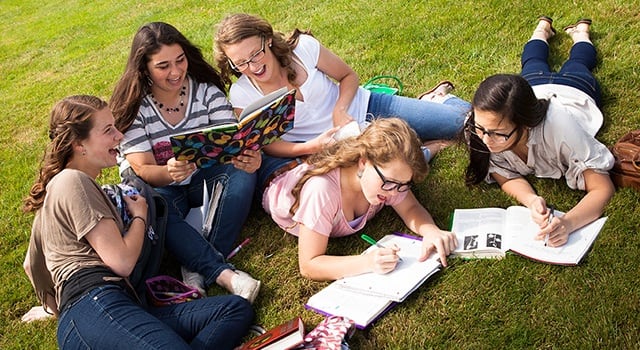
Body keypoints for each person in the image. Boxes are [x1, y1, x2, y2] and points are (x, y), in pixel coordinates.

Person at [22, 95, 254, 349]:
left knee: (234, 309)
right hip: (96, 304)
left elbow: (30, 266)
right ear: (79, 144)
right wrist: (140, 215)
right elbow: (121, 262)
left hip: (119, 306)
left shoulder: (59, 192)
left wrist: (58, 310)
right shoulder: (73, 181)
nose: (119, 136)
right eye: (108, 130)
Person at [213, 13, 471, 188]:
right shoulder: (242, 94)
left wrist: (340, 108)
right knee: (387, 174)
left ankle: (440, 101)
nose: (253, 66)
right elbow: (268, 144)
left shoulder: (302, 48)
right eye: (241, 63)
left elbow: (348, 76)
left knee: (463, 123)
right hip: (330, 144)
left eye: (255, 55)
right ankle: (423, 147)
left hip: (366, 107)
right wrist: (310, 147)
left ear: (267, 40)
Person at [110, 22, 260, 300]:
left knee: (242, 175)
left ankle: (195, 267)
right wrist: (169, 172)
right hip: (160, 185)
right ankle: (217, 269)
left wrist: (248, 158)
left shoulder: (205, 91)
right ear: (144, 69)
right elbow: (141, 169)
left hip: (205, 175)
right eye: (163, 66)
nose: (176, 71)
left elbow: (230, 140)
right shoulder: (135, 105)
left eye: (180, 60)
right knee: (155, 205)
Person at [463, 16, 615, 248]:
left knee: (578, 64)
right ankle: (542, 29)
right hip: (534, 86)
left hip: (574, 89)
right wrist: (531, 199)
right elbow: (503, 173)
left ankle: (581, 34)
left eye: (498, 134)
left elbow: (602, 188)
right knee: (532, 61)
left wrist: (567, 223)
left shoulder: (560, 127)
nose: (485, 139)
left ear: (526, 125)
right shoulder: (481, 122)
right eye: (481, 129)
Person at [262, 117, 458, 281]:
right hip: (272, 176)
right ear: (363, 162)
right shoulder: (321, 192)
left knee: (417, 161)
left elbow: (410, 208)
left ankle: (432, 148)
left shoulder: (388, 180)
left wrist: (430, 231)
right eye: (389, 182)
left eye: (402, 185)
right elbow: (309, 264)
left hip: (307, 166)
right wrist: (368, 263)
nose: (393, 193)